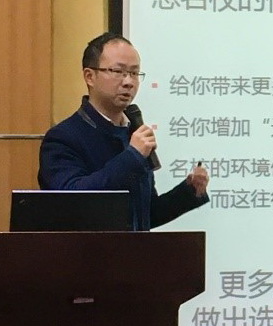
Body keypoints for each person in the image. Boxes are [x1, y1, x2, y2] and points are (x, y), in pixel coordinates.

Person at [38, 32, 209, 230]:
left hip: (136, 249)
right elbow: (71, 202)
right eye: (118, 71)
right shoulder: (63, 137)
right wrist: (132, 157)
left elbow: (144, 215)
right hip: (88, 249)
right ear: (90, 76)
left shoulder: (132, 133)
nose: (128, 82)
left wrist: (188, 192)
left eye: (134, 73)